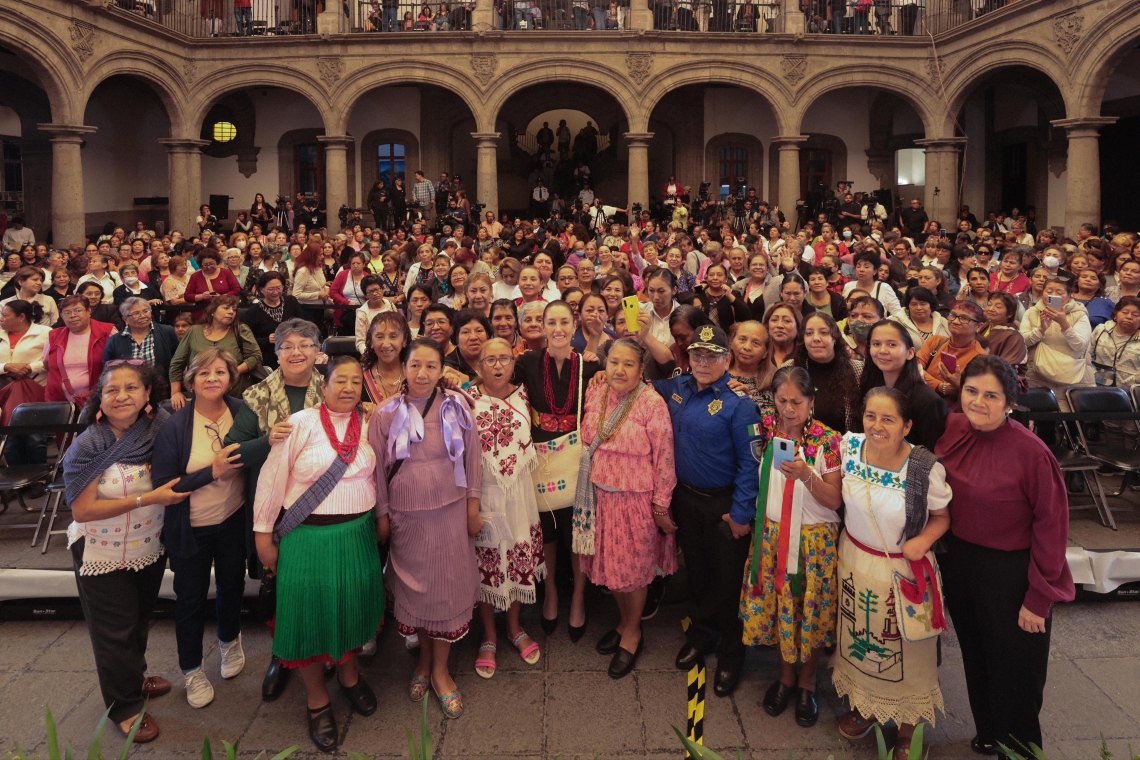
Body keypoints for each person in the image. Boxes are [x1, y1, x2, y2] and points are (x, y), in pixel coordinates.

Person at [937, 356, 1075, 756]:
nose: (979, 402)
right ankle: (990, 730)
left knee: (1017, 672)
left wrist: (1039, 597)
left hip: (1011, 572)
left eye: (991, 395)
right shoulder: (957, 427)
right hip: (962, 563)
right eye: (972, 391)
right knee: (977, 655)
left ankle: (1019, 749)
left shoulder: (1030, 452)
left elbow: (1052, 528)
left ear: (1010, 401)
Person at [254, 357, 383, 751]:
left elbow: (380, 474)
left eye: (355, 382)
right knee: (307, 616)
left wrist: (381, 518)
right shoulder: (300, 423)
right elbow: (272, 479)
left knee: (349, 608)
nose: (347, 388)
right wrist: (263, 536)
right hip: (307, 538)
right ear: (323, 386)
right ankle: (316, 698)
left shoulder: (372, 422)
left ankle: (349, 676)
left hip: (358, 535)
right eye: (339, 381)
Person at [63, 361, 184, 743]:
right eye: (113, 390)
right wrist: (148, 497)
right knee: (114, 632)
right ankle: (125, 708)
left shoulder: (159, 427)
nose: (122, 397)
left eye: (132, 388)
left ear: (148, 395)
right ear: (101, 396)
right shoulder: (90, 444)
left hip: (148, 544)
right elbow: (82, 510)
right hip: (100, 551)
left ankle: (133, 678)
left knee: (138, 619)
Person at [833, 387, 953, 758]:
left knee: (906, 649)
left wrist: (923, 541)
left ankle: (907, 728)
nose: (877, 426)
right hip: (855, 561)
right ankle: (866, 708)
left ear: (907, 426)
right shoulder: (849, 448)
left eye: (888, 419)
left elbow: (941, 517)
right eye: (871, 416)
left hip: (903, 572)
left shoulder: (923, 468)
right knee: (862, 639)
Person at [370, 338, 481, 720]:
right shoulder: (384, 415)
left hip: (450, 515)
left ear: (441, 370)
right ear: (404, 366)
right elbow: (377, 475)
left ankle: (439, 669)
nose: (422, 373)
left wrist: (473, 506)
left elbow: (474, 460)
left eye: (431, 366)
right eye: (415, 365)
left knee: (446, 591)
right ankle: (421, 664)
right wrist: (382, 515)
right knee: (416, 590)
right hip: (406, 520)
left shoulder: (458, 408)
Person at [653, 325, 761, 696]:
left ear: (726, 359)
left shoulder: (740, 403)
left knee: (728, 584)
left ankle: (732, 655)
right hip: (687, 499)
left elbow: (751, 464)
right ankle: (702, 635)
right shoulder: (679, 387)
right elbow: (643, 383)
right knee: (697, 573)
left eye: (711, 356)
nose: (702, 362)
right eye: (697, 355)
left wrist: (742, 513)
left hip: (724, 505)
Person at [223, 318, 325, 702]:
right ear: (276, 352)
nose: (296, 352)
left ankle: (325, 651)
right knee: (282, 587)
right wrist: (268, 440)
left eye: (305, 344)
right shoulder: (258, 396)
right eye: (288, 346)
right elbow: (233, 453)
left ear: (318, 350)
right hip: (276, 512)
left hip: (324, 507)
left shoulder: (334, 388)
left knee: (318, 584)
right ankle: (282, 656)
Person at [740, 366, 843, 727]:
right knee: (781, 605)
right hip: (771, 535)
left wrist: (808, 477)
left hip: (812, 541)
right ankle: (784, 675)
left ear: (811, 401)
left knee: (809, 610)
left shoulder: (827, 440)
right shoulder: (768, 431)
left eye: (796, 402)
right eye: (782, 401)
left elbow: (833, 500)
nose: (788, 409)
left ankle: (808, 680)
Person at [151, 348, 247, 709]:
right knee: (190, 599)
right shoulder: (174, 425)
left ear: (230, 378)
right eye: (204, 374)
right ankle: (191, 670)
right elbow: (166, 487)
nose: (212, 379)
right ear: (190, 380)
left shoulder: (240, 411)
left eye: (220, 373)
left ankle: (229, 640)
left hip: (233, 518)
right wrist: (213, 472)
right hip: (191, 526)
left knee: (232, 585)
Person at [577, 338, 677, 678]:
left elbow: (664, 458)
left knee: (632, 573)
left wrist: (661, 504)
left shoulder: (652, 404)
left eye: (628, 364)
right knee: (611, 567)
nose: (619, 369)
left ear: (642, 368)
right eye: (614, 362)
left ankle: (633, 630)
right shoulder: (597, 392)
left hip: (634, 501)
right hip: (598, 497)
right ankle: (622, 622)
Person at [470, 338, 546, 679]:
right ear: (478, 365)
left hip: (520, 494)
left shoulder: (526, 394)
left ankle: (514, 627)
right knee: (487, 563)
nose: (498, 365)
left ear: (514, 363)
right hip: (484, 493)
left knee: (516, 558)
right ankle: (488, 635)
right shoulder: (464, 400)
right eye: (490, 360)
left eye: (504, 358)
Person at [860, 320, 947, 450]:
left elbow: (929, 452)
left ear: (910, 353)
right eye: (876, 344)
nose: (883, 350)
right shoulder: (868, 388)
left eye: (892, 344)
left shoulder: (928, 401)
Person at [169, 295, 262, 409]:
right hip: (200, 395)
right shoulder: (194, 331)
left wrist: (231, 373)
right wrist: (176, 392)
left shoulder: (240, 329)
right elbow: (177, 363)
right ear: (212, 311)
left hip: (235, 396)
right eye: (226, 308)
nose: (231, 312)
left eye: (234, 309)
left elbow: (255, 356)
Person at [1020, 277, 1093, 409]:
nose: (1053, 295)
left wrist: (1064, 323)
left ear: (1069, 295)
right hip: (1039, 375)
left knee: (1071, 421)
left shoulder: (1079, 314)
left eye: (1059, 293)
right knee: (1041, 420)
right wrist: (1041, 329)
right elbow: (1023, 341)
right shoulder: (1032, 312)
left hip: (1072, 377)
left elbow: (1079, 345)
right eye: (1049, 291)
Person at [793, 312, 862, 433]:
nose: (816, 338)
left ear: (835, 337)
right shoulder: (790, 369)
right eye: (809, 333)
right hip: (801, 447)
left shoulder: (857, 370)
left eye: (824, 333)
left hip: (845, 447)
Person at [44, 294, 116, 408]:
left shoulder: (107, 331)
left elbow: (118, 364)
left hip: (99, 401)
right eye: (67, 312)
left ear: (89, 311)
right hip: (60, 402)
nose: (73, 315)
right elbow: (47, 364)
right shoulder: (54, 336)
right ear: (61, 315)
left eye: (78, 310)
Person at [918, 300, 988, 404]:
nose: (955, 321)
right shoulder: (936, 341)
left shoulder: (981, 358)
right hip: (922, 400)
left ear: (978, 326)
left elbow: (977, 394)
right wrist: (940, 386)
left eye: (964, 318)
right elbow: (914, 368)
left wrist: (958, 384)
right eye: (953, 315)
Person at [103, 297, 180, 375]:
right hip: (130, 385)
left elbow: (178, 360)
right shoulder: (114, 340)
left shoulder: (167, 331)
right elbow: (108, 368)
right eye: (136, 313)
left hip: (163, 384)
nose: (143, 316)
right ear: (125, 319)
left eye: (146, 311)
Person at [244, 272, 303, 370]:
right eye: (271, 289)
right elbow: (247, 342)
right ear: (261, 289)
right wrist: (267, 340)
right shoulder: (253, 312)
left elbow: (302, 325)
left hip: (293, 352)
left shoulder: (291, 302)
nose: (275, 292)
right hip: (268, 358)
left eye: (278, 288)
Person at [1088, 296, 1140, 389]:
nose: (1129, 317)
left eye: (1135, 315)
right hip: (1095, 387)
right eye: (1125, 312)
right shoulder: (1101, 330)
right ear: (1116, 314)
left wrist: (1134, 380)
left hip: (1130, 394)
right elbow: (1087, 355)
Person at [979, 291, 1029, 379]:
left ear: (1010, 314)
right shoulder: (986, 325)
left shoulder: (1013, 336)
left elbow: (1005, 367)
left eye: (998, 306)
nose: (991, 309)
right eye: (989, 304)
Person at [185, 250, 241, 320]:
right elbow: (187, 296)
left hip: (224, 313)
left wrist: (221, 297)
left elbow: (236, 290)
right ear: (201, 264)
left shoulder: (226, 273)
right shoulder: (195, 276)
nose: (209, 267)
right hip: (202, 313)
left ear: (216, 262)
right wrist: (202, 296)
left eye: (211, 264)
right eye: (205, 265)